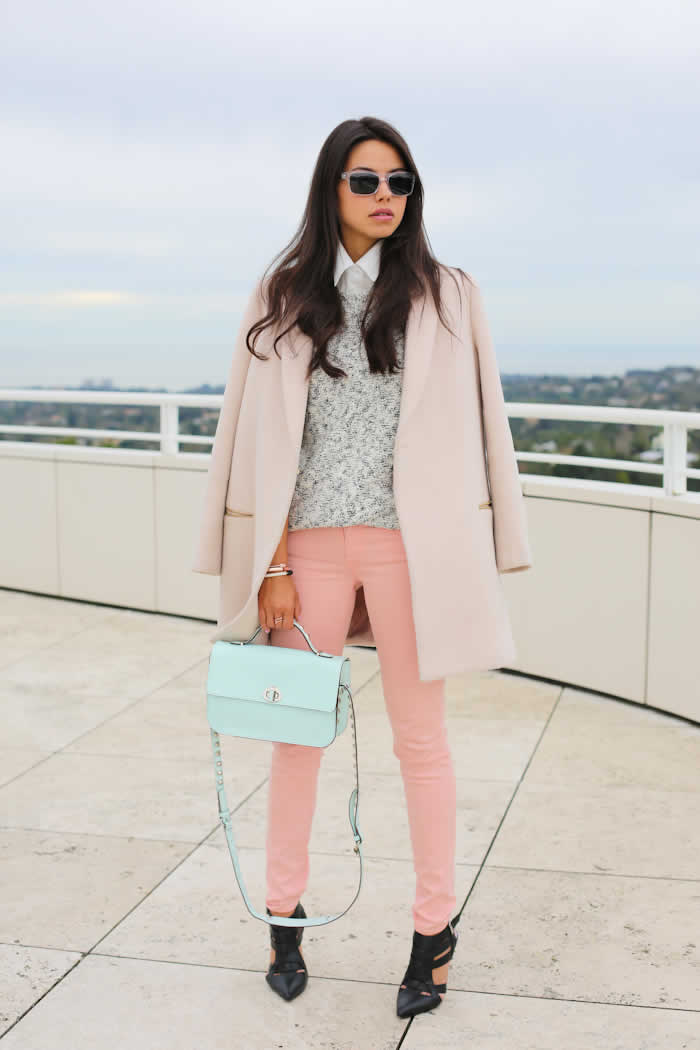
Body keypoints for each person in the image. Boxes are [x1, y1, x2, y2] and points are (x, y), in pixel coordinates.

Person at [194, 115, 532, 1019]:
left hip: (413, 552)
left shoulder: (448, 295)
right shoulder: (281, 294)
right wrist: (268, 563)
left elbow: (485, 421)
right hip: (303, 551)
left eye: (400, 182)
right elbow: (258, 437)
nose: (387, 196)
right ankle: (284, 917)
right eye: (366, 180)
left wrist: (498, 536)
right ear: (330, 189)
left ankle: (432, 934)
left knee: (421, 744)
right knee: (297, 739)